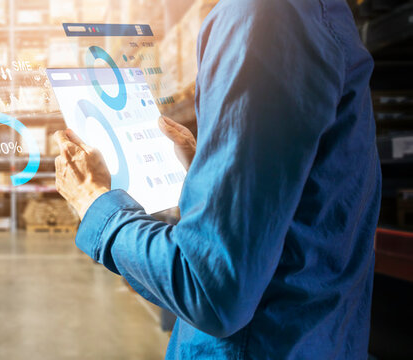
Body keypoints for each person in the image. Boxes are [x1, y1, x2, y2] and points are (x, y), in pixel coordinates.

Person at [53, 0, 380, 358]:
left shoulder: (261, 17)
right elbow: (307, 206)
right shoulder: (311, 14)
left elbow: (210, 290)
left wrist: (96, 203)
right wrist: (211, 174)